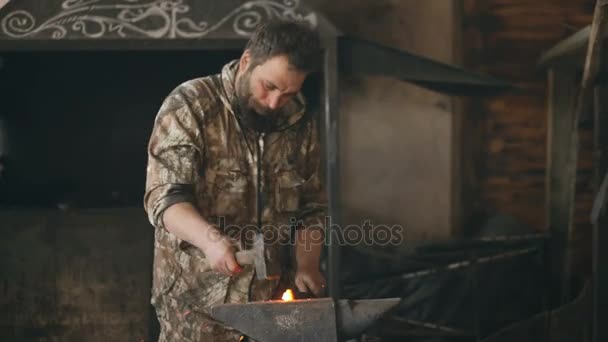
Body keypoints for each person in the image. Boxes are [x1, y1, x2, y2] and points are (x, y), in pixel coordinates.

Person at [144, 20, 327, 341]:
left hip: (272, 305)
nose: (274, 103)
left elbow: (313, 208)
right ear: (246, 62)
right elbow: (165, 198)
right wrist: (210, 240)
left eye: (287, 93)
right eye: (268, 87)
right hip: (197, 307)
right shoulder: (192, 104)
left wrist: (307, 263)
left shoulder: (297, 119)